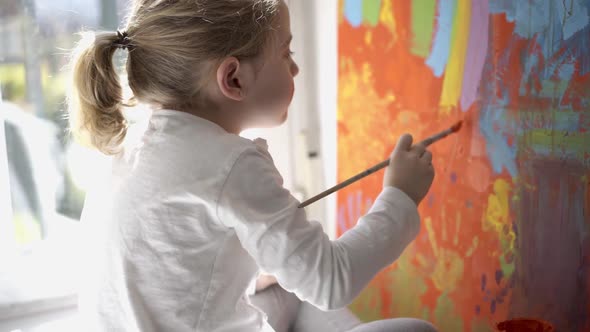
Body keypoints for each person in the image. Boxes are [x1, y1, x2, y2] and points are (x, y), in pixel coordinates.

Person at [68, 0, 437, 331]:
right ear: (233, 78)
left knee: (281, 288)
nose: (294, 69)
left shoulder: (129, 144)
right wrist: (400, 197)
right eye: (286, 53)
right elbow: (331, 282)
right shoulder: (230, 163)